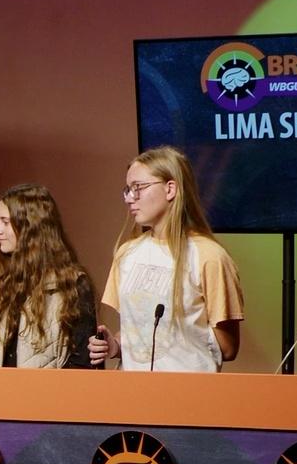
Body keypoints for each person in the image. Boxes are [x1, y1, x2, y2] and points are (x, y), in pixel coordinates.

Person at [86, 145, 243, 371]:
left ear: (170, 189)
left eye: (138, 187)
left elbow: (227, 348)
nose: (130, 198)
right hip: (132, 396)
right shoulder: (127, 254)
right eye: (128, 190)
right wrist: (116, 345)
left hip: (189, 397)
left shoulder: (209, 257)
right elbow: (137, 329)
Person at [0, 183, 96, 368]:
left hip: (48, 395)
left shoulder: (73, 284)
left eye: (5, 222)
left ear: (30, 228)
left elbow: (82, 362)